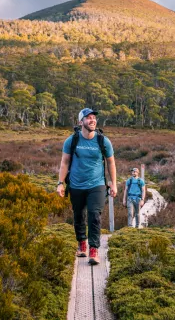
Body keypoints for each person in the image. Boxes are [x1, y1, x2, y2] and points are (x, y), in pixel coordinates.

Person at [57, 108, 117, 265]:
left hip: (97, 185)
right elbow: (64, 162)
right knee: (78, 216)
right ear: (80, 122)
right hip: (76, 185)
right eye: (88, 118)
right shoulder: (72, 140)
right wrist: (60, 183)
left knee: (94, 215)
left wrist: (114, 184)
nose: (92, 120)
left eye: (94, 118)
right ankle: (81, 243)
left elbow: (111, 162)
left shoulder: (103, 141)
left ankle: (94, 249)